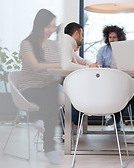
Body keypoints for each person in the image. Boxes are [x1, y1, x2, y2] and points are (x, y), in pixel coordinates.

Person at [18, 9, 62, 165]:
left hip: (47, 88)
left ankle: (41, 120)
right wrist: (60, 64)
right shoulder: (27, 44)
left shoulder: (54, 45)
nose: (52, 30)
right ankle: (49, 149)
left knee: (52, 89)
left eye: (54, 26)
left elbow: (57, 70)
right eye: (49, 26)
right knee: (52, 98)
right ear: (39, 25)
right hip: (29, 89)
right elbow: (36, 67)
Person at [60, 22, 99, 133]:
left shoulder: (67, 43)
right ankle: (73, 126)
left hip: (59, 82)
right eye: (81, 35)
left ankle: (73, 126)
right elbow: (67, 65)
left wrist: (87, 68)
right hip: (55, 84)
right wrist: (88, 68)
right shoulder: (67, 41)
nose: (82, 38)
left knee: (80, 89)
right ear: (76, 33)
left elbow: (74, 64)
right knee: (79, 92)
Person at [96, 25, 126, 127]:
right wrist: (105, 69)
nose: (112, 40)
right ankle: (116, 119)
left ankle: (116, 118)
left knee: (129, 89)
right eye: (110, 37)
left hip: (123, 78)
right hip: (107, 80)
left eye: (114, 37)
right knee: (113, 89)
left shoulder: (125, 49)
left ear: (119, 38)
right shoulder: (102, 50)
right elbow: (98, 67)